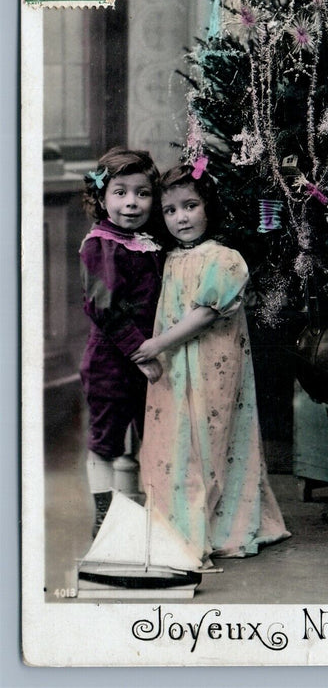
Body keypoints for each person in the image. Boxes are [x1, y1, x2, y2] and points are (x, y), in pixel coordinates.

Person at [131, 163, 290, 563]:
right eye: (170, 210)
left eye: (190, 206)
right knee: (176, 441)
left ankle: (220, 524)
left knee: (211, 437)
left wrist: (156, 345)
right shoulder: (171, 258)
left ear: (208, 207)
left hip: (211, 364)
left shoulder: (225, 258)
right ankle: (178, 524)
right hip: (175, 365)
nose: (181, 218)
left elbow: (204, 315)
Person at [80, 147, 164, 537]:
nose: (132, 202)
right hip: (112, 362)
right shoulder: (101, 244)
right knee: (106, 441)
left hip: (148, 359)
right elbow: (103, 307)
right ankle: (103, 518)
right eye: (120, 192)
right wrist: (138, 351)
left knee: (152, 435)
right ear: (101, 198)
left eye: (142, 193)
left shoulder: (147, 241)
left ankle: (149, 514)